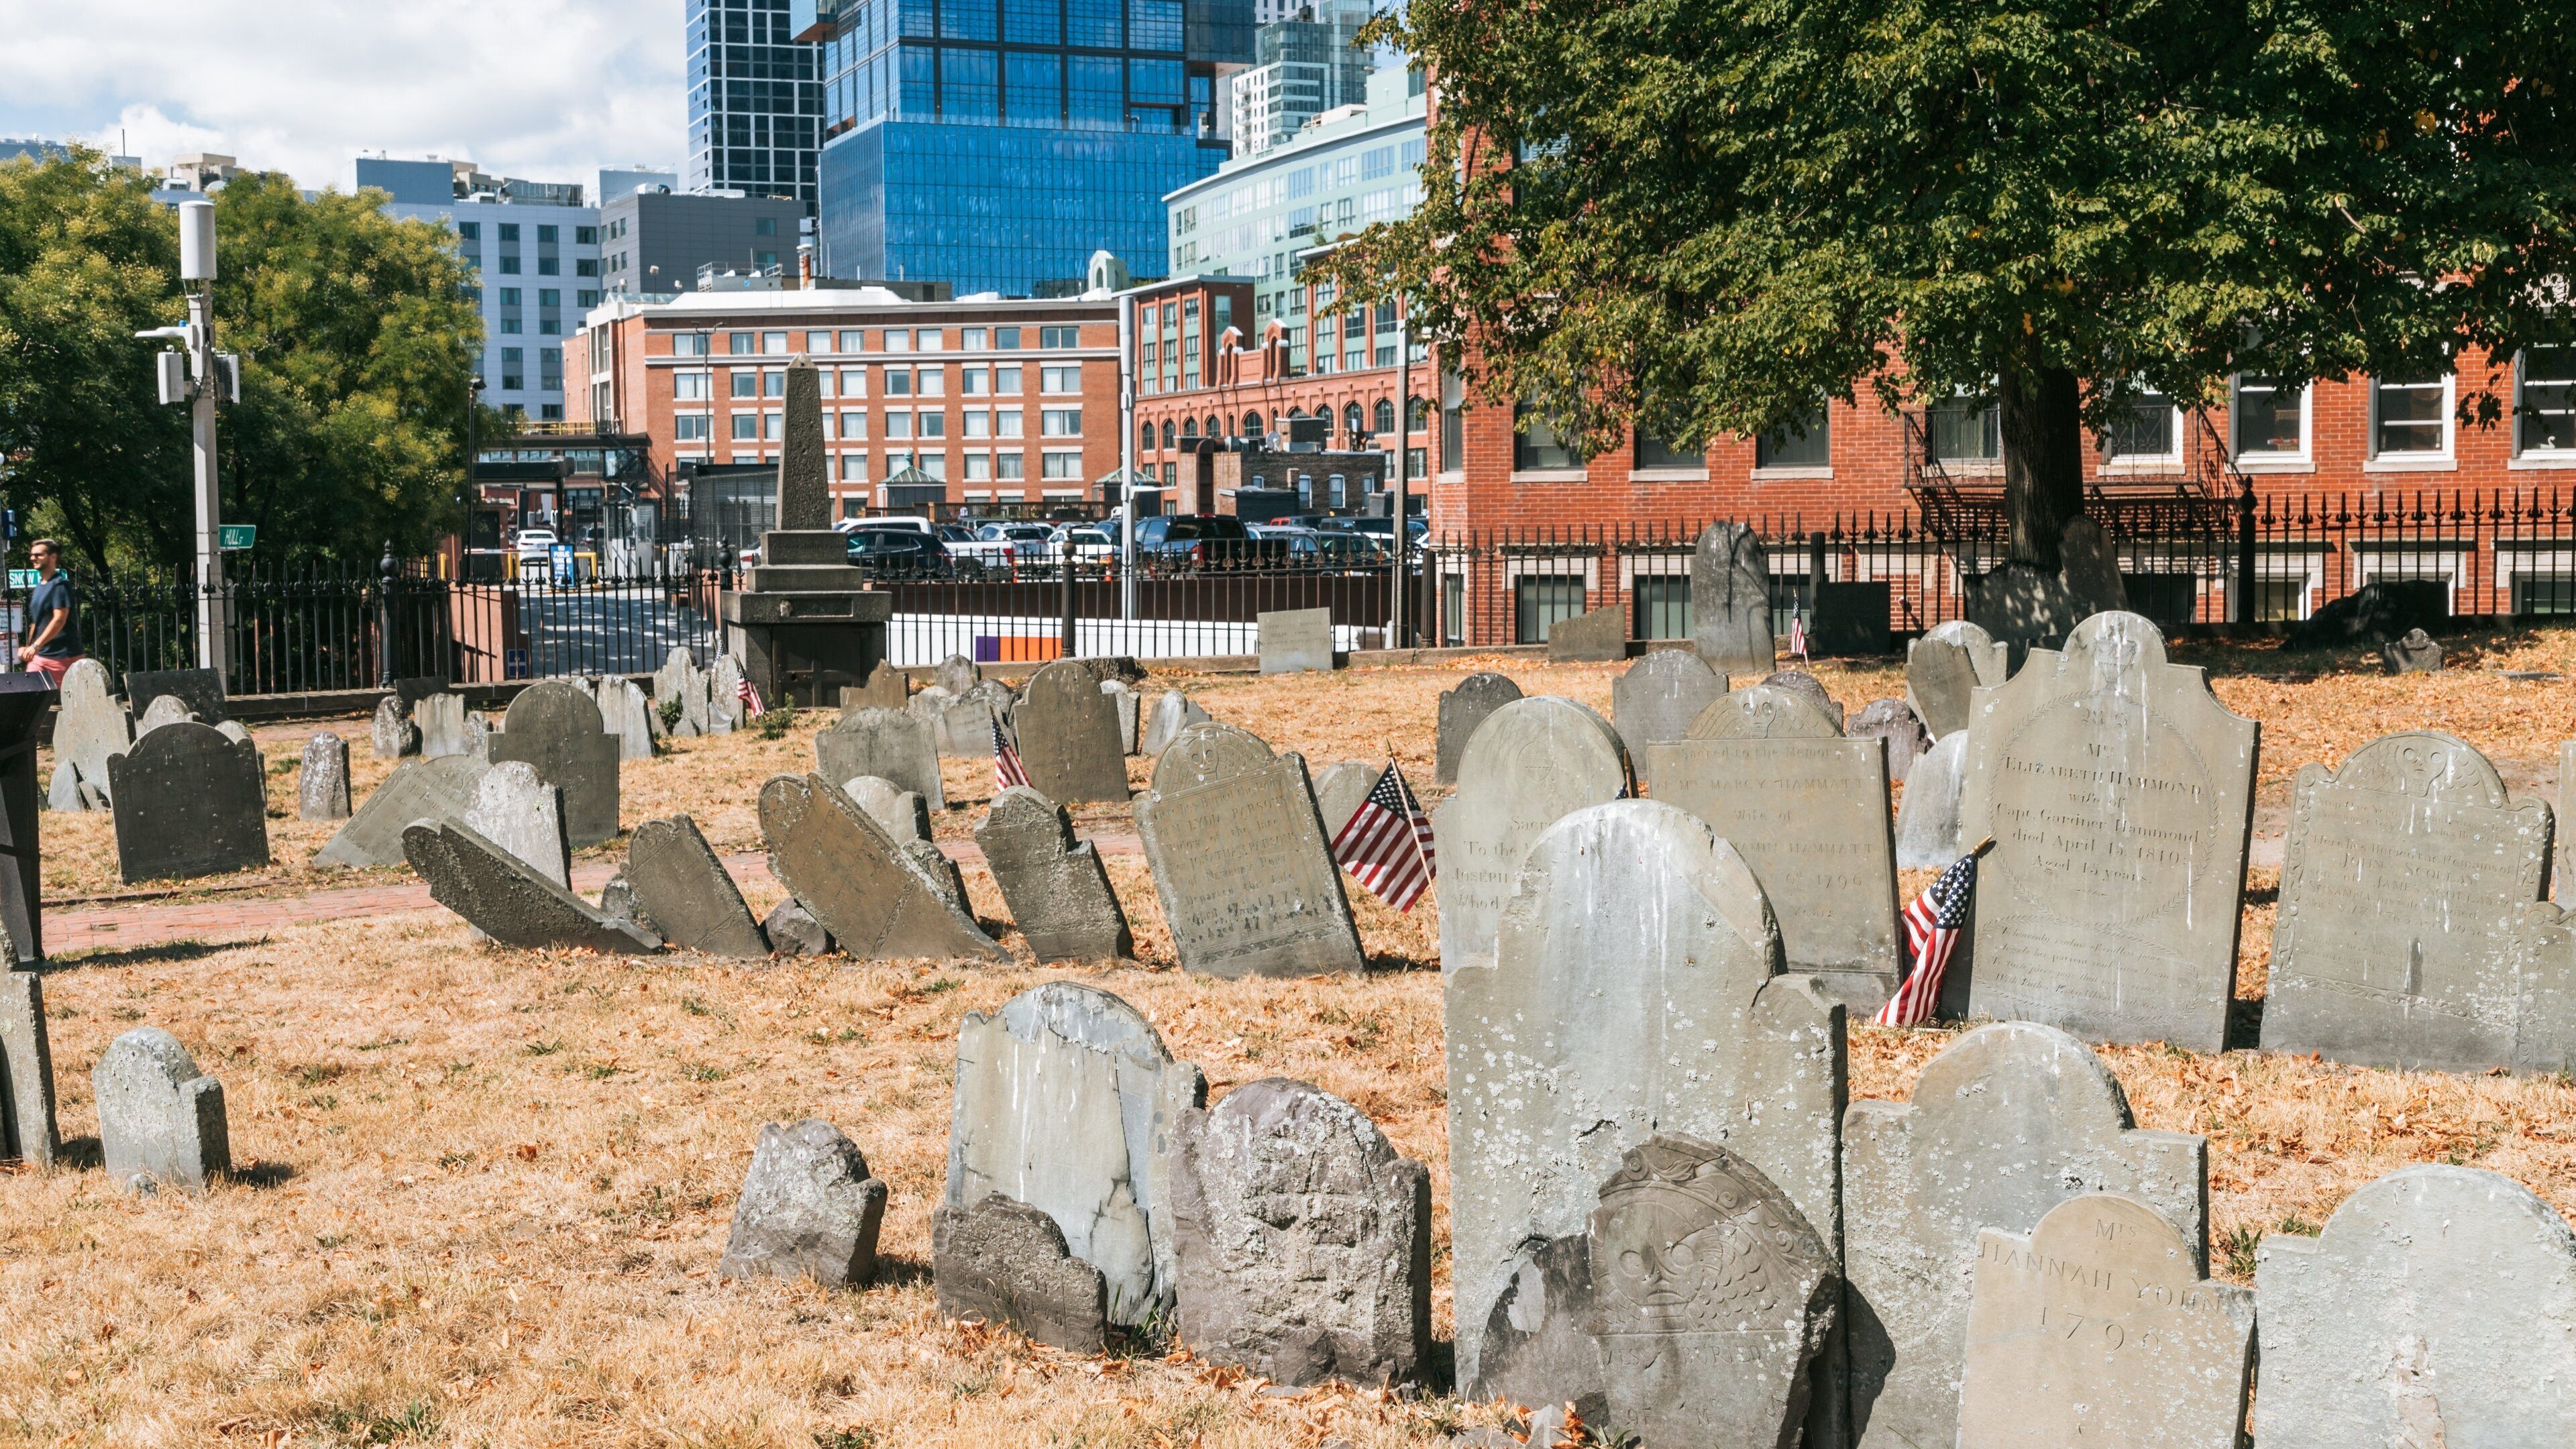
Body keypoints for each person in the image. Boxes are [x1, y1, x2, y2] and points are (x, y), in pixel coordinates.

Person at [16, 539, 85, 688]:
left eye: (39, 555)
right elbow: (37, 621)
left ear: (53, 557)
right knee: (29, 698)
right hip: (40, 658)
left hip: (63, 658)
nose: (33, 558)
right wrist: (29, 648)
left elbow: (59, 620)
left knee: (72, 705)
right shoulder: (40, 586)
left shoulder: (60, 585)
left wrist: (35, 646)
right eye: (32, 555)